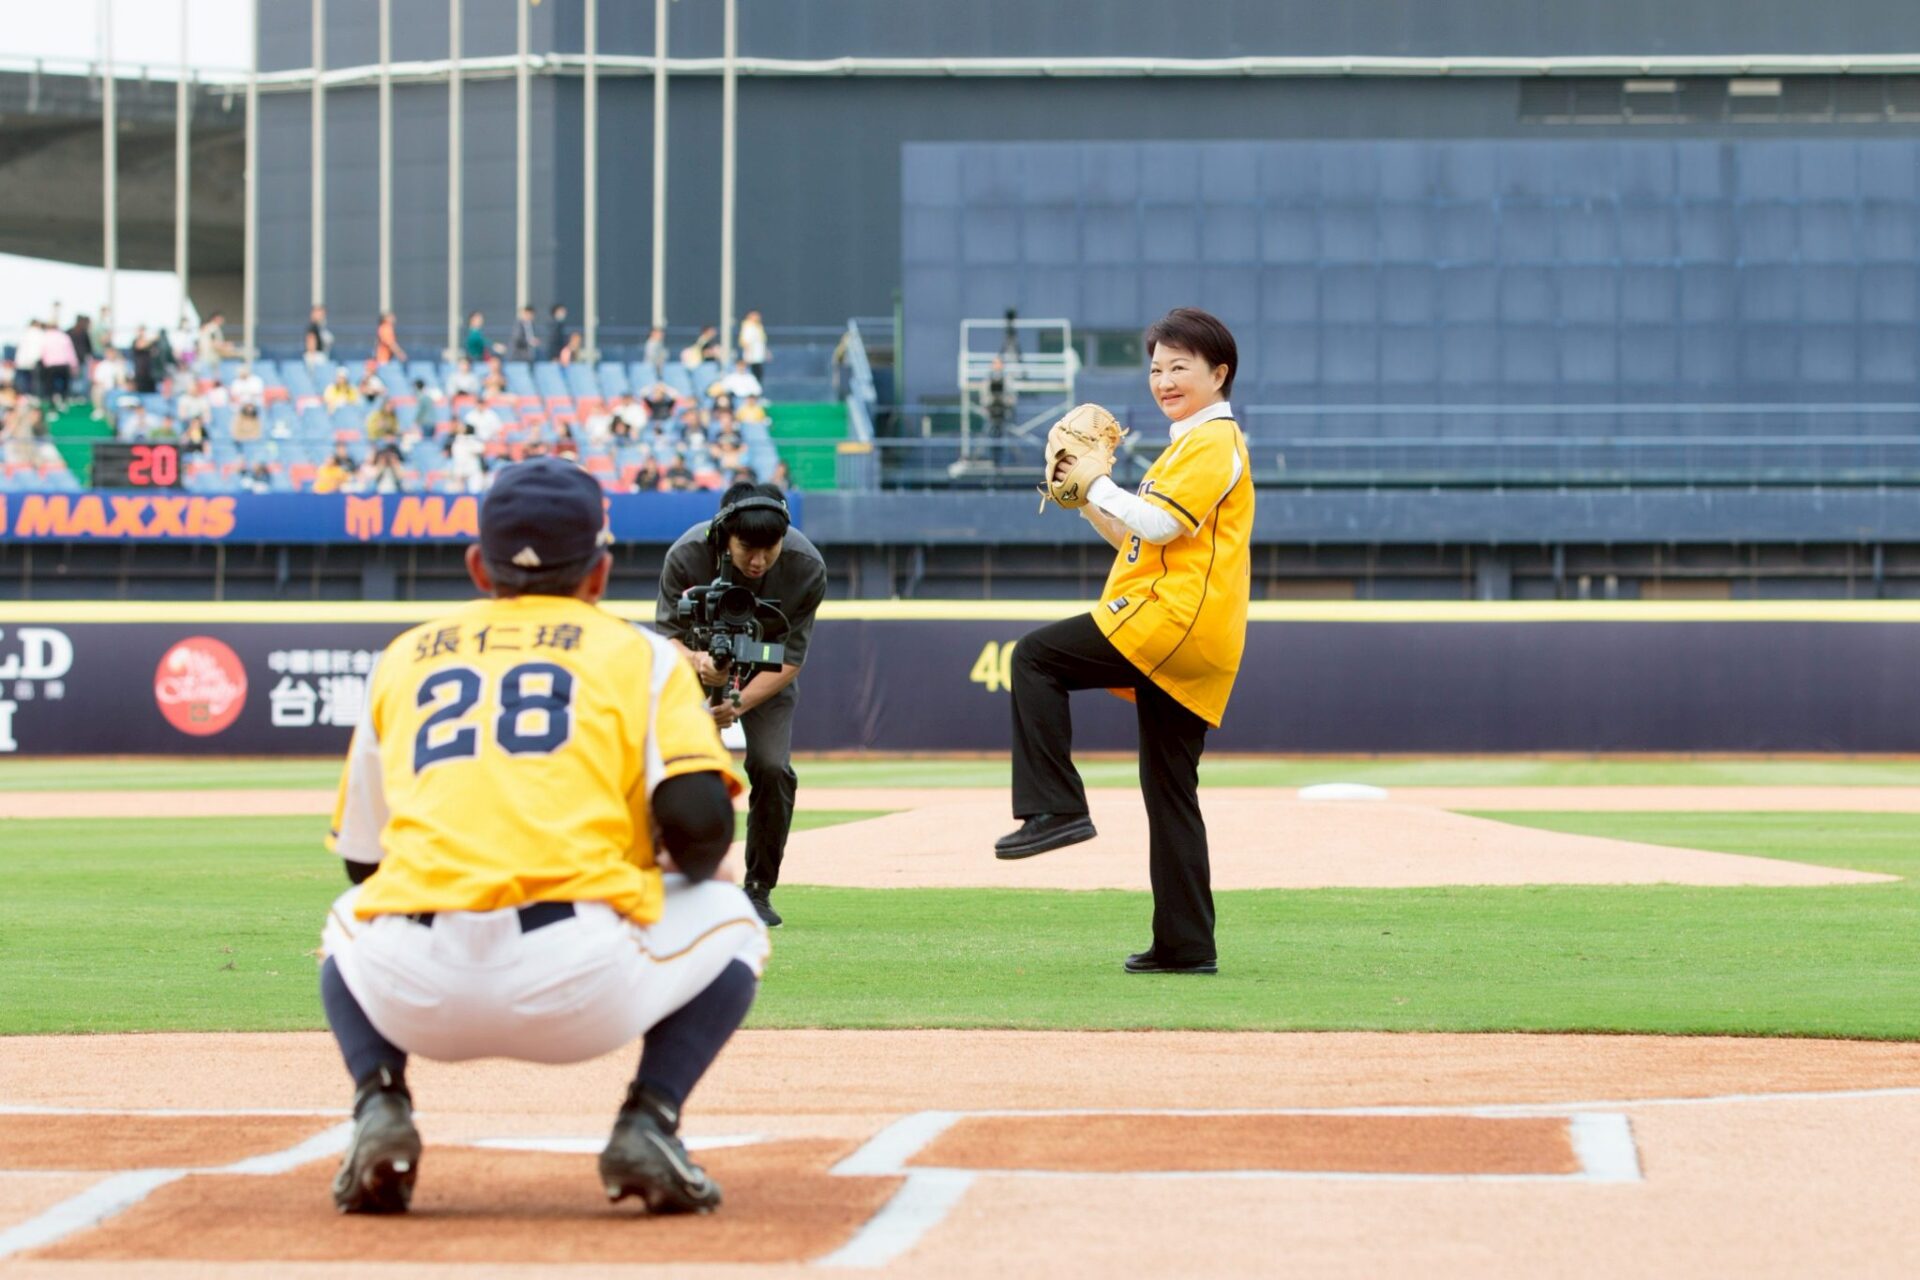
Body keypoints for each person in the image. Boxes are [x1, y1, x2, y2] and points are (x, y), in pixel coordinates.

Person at [317, 458, 765, 1214]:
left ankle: (379, 1104)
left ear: (474, 566)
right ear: (599, 573)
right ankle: (649, 1119)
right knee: (736, 919)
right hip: (578, 984)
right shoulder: (644, 656)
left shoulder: (404, 657)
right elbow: (701, 830)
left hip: (412, 988)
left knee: (343, 927)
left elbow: (363, 862)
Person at [998, 308, 1254, 976]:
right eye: (1157, 367)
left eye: (1181, 367)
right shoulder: (1188, 445)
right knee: (1170, 789)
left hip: (1171, 622)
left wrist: (1099, 481)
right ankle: (1186, 943)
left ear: (1217, 373)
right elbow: (1137, 537)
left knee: (1035, 658)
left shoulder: (1213, 441)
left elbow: (1163, 526)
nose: (1164, 379)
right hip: (1196, 637)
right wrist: (1085, 501)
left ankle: (1055, 809)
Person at [655, 483, 827, 928]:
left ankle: (758, 890)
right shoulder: (686, 555)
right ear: (723, 537)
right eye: (748, 549)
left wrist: (736, 704)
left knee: (772, 767)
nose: (758, 561)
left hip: (765, 677)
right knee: (675, 768)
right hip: (691, 667)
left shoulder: (806, 566)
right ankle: (676, 884)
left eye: (769, 550)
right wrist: (696, 661)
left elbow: (790, 660)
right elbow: (666, 637)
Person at [737, 310, 768, 383]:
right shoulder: (748, 327)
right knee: (752, 372)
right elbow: (745, 341)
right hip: (752, 355)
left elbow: (761, 341)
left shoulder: (758, 327)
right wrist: (748, 353)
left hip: (758, 355)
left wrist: (766, 352)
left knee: (758, 372)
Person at [306, 304, 334, 368]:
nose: (321, 316)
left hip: (320, 355)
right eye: (319, 314)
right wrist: (312, 357)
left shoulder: (321, 327)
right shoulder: (312, 327)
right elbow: (311, 342)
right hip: (315, 356)